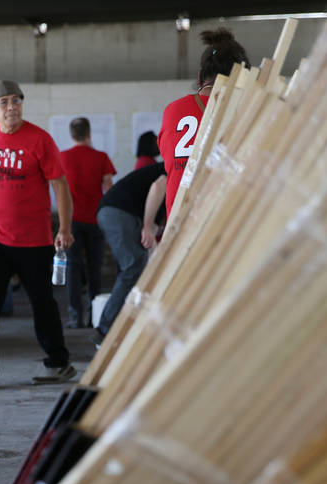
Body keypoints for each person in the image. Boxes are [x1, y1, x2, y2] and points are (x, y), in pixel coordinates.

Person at [0, 80, 75, 391]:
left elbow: (60, 185)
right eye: (4, 102)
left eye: (16, 100)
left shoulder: (39, 139)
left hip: (34, 239)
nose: (12, 107)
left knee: (43, 304)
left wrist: (64, 228)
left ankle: (58, 363)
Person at [158, 28, 249, 212]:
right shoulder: (244, 112)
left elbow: (167, 157)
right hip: (221, 223)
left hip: (177, 227)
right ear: (243, 78)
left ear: (200, 77)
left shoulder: (173, 111)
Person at [92, 162, 166, 344]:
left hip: (116, 213)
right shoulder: (177, 167)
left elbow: (154, 229)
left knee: (136, 266)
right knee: (134, 265)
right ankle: (104, 329)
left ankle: (124, 326)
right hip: (119, 213)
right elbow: (158, 187)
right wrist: (148, 227)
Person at [58, 117, 115, 328]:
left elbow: (57, 188)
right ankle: (94, 316)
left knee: (72, 268)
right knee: (94, 268)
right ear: (89, 134)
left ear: (72, 135)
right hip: (95, 219)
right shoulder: (101, 157)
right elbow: (109, 188)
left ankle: (75, 317)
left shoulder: (61, 157)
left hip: (70, 221)